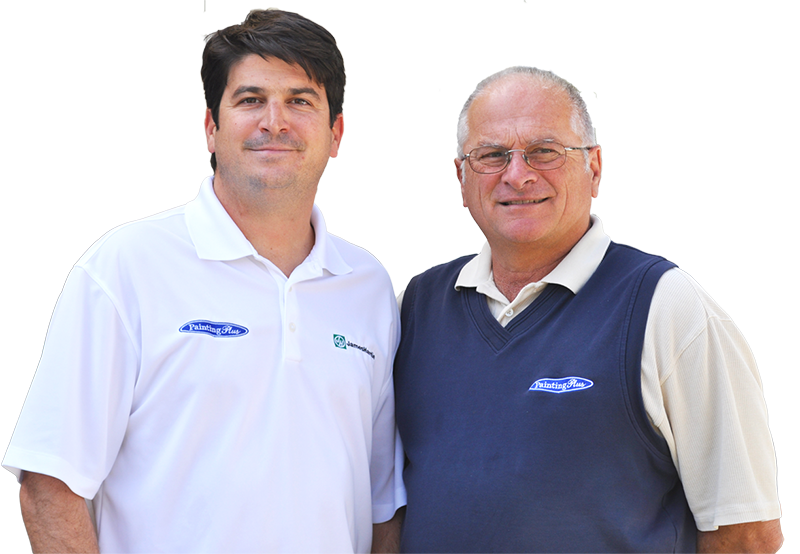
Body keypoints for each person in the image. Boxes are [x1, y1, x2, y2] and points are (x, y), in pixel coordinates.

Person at [3, 9, 405, 553]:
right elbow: (51, 483)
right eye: (250, 100)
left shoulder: (369, 287)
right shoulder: (124, 266)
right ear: (211, 128)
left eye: (300, 101)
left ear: (336, 135)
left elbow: (383, 505)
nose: (274, 121)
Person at [389, 66, 783, 553]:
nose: (518, 174)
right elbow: (390, 505)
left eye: (544, 152)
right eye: (492, 155)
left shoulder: (668, 308)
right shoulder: (415, 306)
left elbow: (744, 534)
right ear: (461, 176)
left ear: (594, 166)